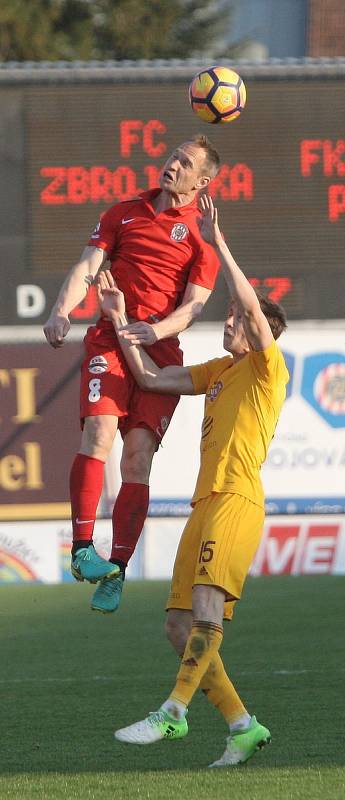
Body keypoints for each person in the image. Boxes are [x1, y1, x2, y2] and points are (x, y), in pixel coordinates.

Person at [96, 193, 289, 767]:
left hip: (236, 501)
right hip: (204, 504)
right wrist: (116, 319)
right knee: (179, 626)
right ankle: (242, 726)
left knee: (205, 605)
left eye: (237, 321)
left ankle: (173, 713)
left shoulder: (264, 367)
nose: (230, 323)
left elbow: (252, 310)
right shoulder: (219, 372)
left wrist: (216, 239)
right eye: (229, 320)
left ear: (260, 335)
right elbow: (152, 378)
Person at [43, 135, 221, 613]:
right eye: (173, 157)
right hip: (110, 339)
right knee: (99, 433)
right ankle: (83, 551)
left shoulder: (203, 238)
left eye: (185, 163)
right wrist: (61, 310)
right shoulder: (123, 212)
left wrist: (155, 330)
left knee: (138, 458)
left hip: (160, 353)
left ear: (201, 181)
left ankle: (116, 569)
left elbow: (192, 310)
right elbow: (88, 265)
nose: (172, 164)